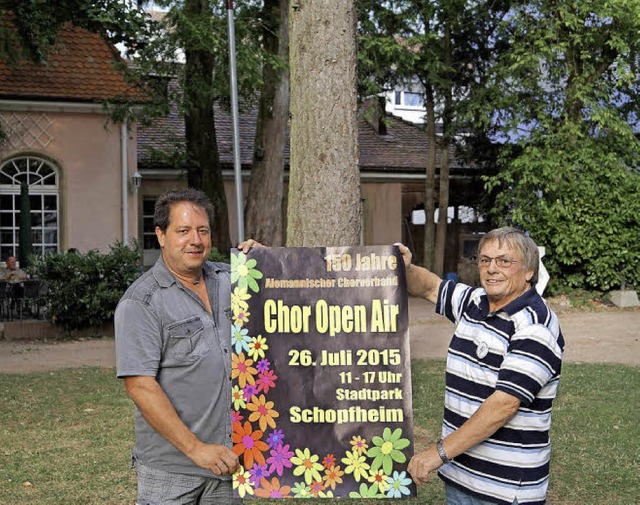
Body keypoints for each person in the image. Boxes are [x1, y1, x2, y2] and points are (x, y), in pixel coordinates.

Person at [400, 227, 564, 505]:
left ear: (529, 271)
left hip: (505, 490)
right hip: (461, 477)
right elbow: (428, 286)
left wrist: (437, 453)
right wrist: (406, 267)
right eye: (485, 260)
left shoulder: (534, 326)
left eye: (504, 261)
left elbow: (503, 406)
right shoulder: (474, 303)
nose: (492, 269)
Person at [115, 189, 259, 505]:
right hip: (172, 469)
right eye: (183, 231)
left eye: (202, 230)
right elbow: (140, 385)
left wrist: (269, 263)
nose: (195, 239)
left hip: (227, 460)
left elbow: (301, 291)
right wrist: (197, 449)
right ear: (161, 236)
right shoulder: (141, 302)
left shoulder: (232, 279)